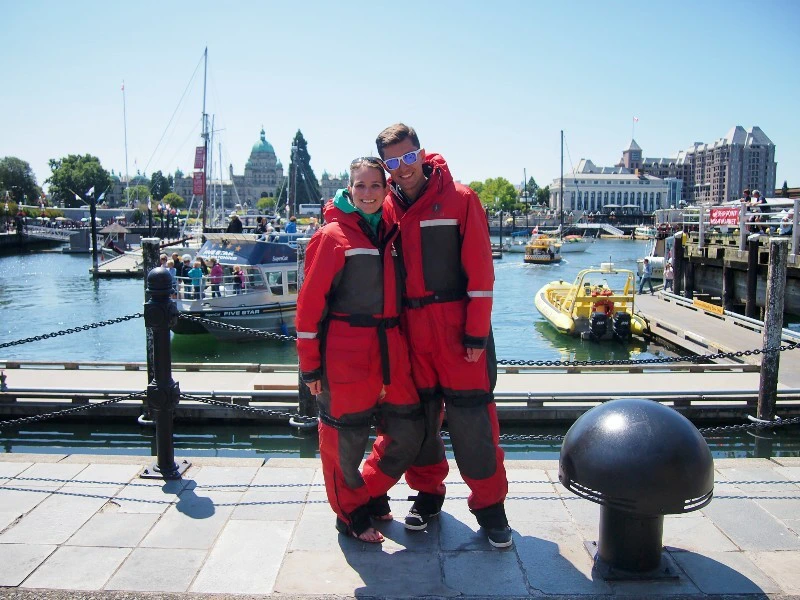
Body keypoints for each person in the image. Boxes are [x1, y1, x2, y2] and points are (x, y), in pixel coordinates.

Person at [375, 123, 512, 548]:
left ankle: (491, 509)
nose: (403, 168)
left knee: (474, 423)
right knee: (420, 425)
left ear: (420, 152)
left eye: (407, 157)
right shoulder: (386, 209)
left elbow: (482, 275)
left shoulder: (461, 199)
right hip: (414, 338)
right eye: (392, 162)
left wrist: (475, 334)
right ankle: (428, 495)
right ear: (386, 166)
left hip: (458, 337)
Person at [295, 156, 423, 543]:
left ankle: (366, 491)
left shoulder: (389, 231)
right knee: (343, 444)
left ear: (386, 191)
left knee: (408, 430)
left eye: (375, 186)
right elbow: (308, 309)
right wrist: (311, 368)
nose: (367, 193)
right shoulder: (331, 236)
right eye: (360, 186)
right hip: (345, 358)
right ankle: (350, 514)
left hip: (390, 352)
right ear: (349, 189)